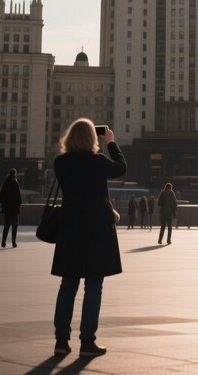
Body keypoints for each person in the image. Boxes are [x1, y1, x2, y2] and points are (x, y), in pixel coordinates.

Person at [52, 119, 126, 358]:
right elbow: (121, 167)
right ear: (94, 138)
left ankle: (61, 340)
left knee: (68, 284)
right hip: (96, 230)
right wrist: (111, 143)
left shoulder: (60, 163)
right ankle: (87, 342)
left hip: (70, 228)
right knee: (94, 285)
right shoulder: (98, 162)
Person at [0, 168, 22, 248]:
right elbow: (19, 197)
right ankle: (13, 242)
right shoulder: (15, 183)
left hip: (7, 209)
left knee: (6, 226)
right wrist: (18, 204)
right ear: (14, 174)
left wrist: (3, 205)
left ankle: (3, 242)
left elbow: (1, 196)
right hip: (14, 209)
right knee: (14, 226)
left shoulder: (5, 183)